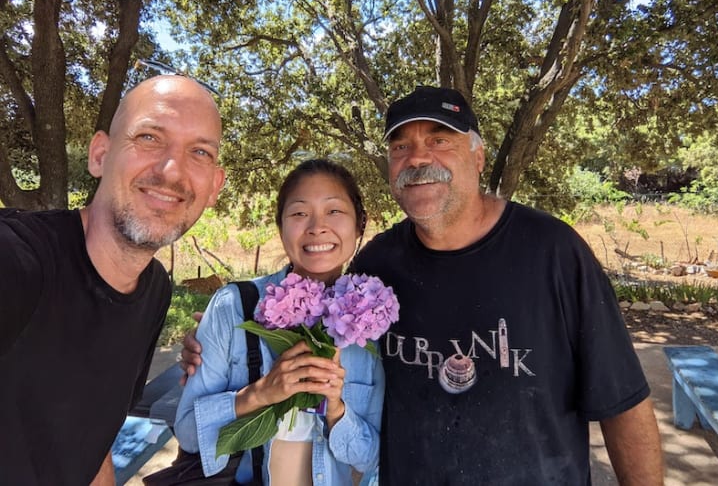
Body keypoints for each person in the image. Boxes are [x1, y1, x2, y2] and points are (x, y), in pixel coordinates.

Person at [182, 86, 664, 484]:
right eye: (401, 147)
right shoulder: (373, 273)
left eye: (440, 140)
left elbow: (622, 401)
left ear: (478, 156)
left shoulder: (554, 251)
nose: (418, 158)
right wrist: (222, 337)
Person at [0, 74, 226, 486]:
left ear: (215, 186)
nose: (172, 170)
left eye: (199, 151)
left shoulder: (153, 288)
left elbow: (90, 439)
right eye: (149, 137)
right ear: (100, 154)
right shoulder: (19, 263)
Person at [173, 159, 383, 485]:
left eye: (334, 211)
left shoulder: (372, 322)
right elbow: (188, 433)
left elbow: (372, 458)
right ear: (280, 227)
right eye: (299, 213)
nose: (316, 227)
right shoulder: (233, 307)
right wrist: (261, 393)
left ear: (359, 226)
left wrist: (337, 410)